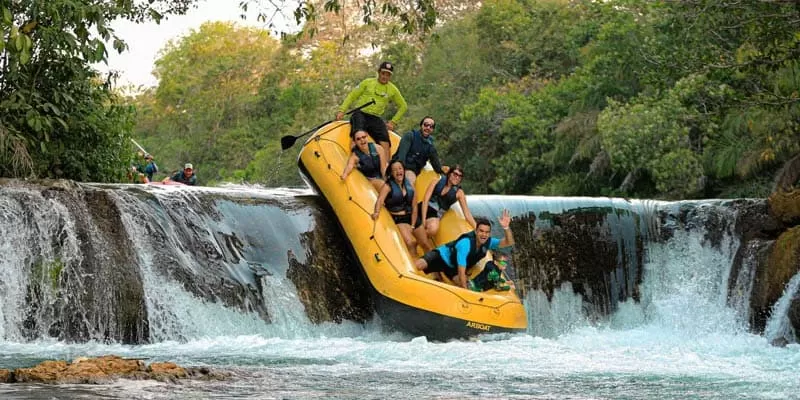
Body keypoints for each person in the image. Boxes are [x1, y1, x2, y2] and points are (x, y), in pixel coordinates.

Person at [415, 210, 514, 290]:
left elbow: (509, 242)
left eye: (487, 232)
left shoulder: (489, 242)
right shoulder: (465, 244)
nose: (484, 235)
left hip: (452, 269)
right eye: (481, 231)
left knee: (467, 284)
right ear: (476, 231)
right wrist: (466, 292)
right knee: (418, 265)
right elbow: (461, 270)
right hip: (441, 256)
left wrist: (506, 227)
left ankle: (440, 279)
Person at [335, 61, 407, 163]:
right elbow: (352, 96)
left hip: (375, 118)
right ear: (379, 72)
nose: (385, 77)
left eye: (388, 75)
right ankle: (352, 162)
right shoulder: (367, 82)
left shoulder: (393, 90)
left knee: (385, 143)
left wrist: (393, 122)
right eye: (383, 73)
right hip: (361, 113)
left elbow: (403, 106)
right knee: (358, 135)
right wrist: (342, 110)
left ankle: (386, 171)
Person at [414, 165, 476, 252]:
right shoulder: (436, 181)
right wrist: (424, 221)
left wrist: (477, 229)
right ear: (449, 174)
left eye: (460, 176)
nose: (457, 177)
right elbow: (425, 200)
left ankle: (416, 242)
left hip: (435, 213)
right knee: (416, 219)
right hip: (424, 207)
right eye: (455, 174)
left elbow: (467, 214)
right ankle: (419, 236)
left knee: (433, 229)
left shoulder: (459, 193)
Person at [373, 160, 417, 255]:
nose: (398, 171)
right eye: (395, 170)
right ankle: (413, 261)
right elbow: (380, 200)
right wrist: (376, 212)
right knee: (411, 242)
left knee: (420, 240)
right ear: (392, 173)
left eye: (400, 168)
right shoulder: (388, 186)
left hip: (408, 217)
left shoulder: (409, 186)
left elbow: (414, 206)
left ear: (404, 170)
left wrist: (413, 225)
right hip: (397, 218)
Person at [394, 116, 444, 186]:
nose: (428, 128)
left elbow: (436, 165)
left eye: (431, 126)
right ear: (421, 125)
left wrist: (444, 171)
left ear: (432, 129)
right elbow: (401, 157)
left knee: (411, 185)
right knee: (407, 178)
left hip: (412, 170)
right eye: (426, 125)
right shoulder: (410, 136)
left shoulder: (430, 146)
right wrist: (400, 172)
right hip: (400, 165)